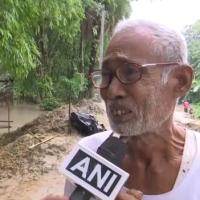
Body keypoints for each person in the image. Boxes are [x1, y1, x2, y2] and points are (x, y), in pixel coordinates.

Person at [41, 19, 200, 200]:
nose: (111, 91)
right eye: (106, 75)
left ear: (180, 81)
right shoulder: (89, 153)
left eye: (131, 72)